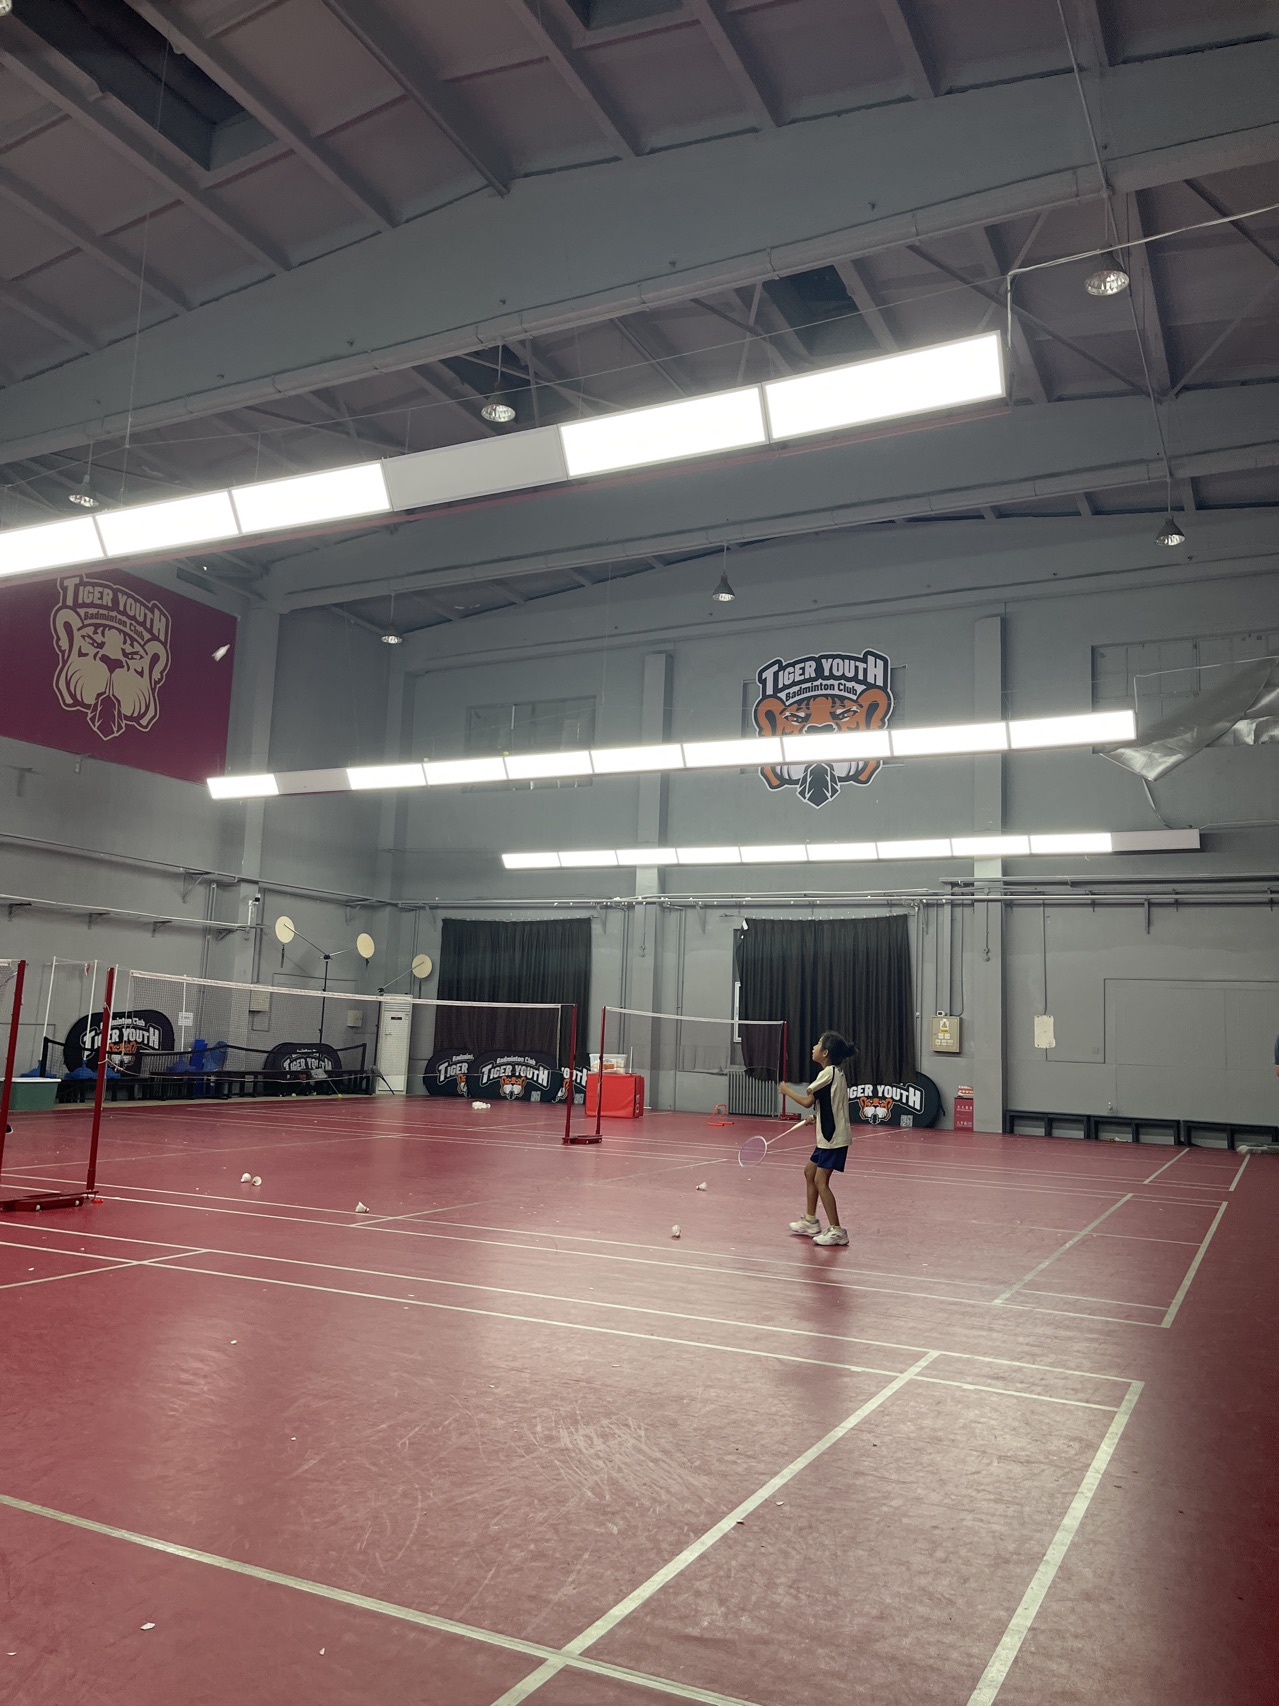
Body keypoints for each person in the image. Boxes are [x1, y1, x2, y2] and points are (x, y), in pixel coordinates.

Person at [781, 1031, 855, 1247]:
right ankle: (810, 1221)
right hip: (828, 1136)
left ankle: (837, 1231)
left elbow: (807, 1101)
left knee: (821, 1181)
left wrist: (786, 1090)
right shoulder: (836, 1072)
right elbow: (829, 1102)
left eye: (818, 1044)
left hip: (833, 1139)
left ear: (825, 1053)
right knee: (810, 1172)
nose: (813, 1047)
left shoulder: (828, 1072)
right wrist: (816, 1116)